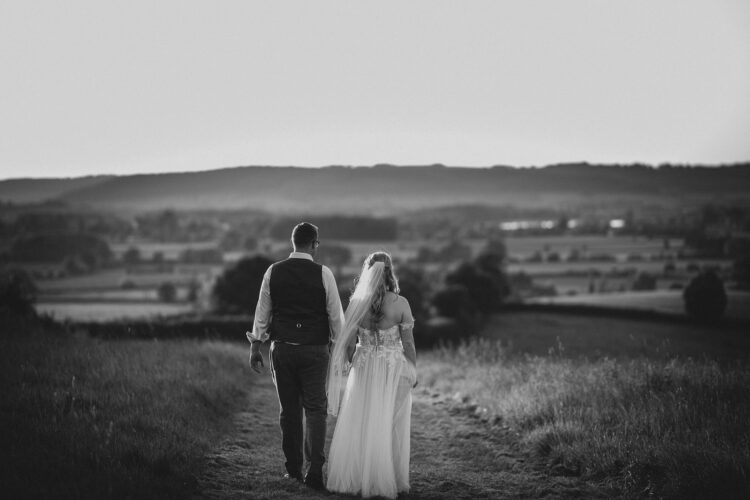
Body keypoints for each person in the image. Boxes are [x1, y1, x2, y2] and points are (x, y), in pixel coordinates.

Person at [247, 222, 344, 491]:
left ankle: (293, 471)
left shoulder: (273, 271)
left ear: (293, 243)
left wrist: (256, 345)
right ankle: (315, 470)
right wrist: (338, 347)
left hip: (284, 349)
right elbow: (336, 316)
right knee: (316, 409)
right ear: (314, 244)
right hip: (315, 350)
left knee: (289, 412)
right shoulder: (324, 274)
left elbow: (262, 312)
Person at [326, 251, 417, 499]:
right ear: (390, 272)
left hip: (364, 367)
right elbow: (408, 344)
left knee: (362, 419)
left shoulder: (356, 304)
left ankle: (358, 477)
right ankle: (388, 479)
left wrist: (348, 361)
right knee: (391, 423)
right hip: (393, 367)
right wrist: (413, 369)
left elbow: (346, 342)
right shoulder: (401, 303)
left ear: (367, 272)